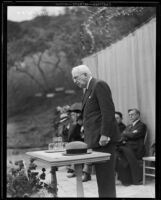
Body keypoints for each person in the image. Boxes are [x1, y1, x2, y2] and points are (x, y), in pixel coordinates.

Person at [71, 64, 120, 197]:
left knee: (106, 179)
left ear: (86, 75)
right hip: (95, 140)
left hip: (104, 140)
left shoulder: (99, 85)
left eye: (76, 78)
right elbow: (92, 115)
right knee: (101, 178)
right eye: (73, 79)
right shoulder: (88, 90)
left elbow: (108, 111)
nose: (75, 81)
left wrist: (105, 134)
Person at [115, 108, 147, 185]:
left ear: (138, 115)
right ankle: (126, 178)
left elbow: (133, 135)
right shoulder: (129, 126)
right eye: (129, 115)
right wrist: (127, 134)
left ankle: (129, 179)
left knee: (119, 154)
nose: (130, 116)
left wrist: (126, 134)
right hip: (128, 147)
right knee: (116, 156)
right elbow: (122, 136)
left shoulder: (142, 125)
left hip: (137, 149)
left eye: (132, 114)